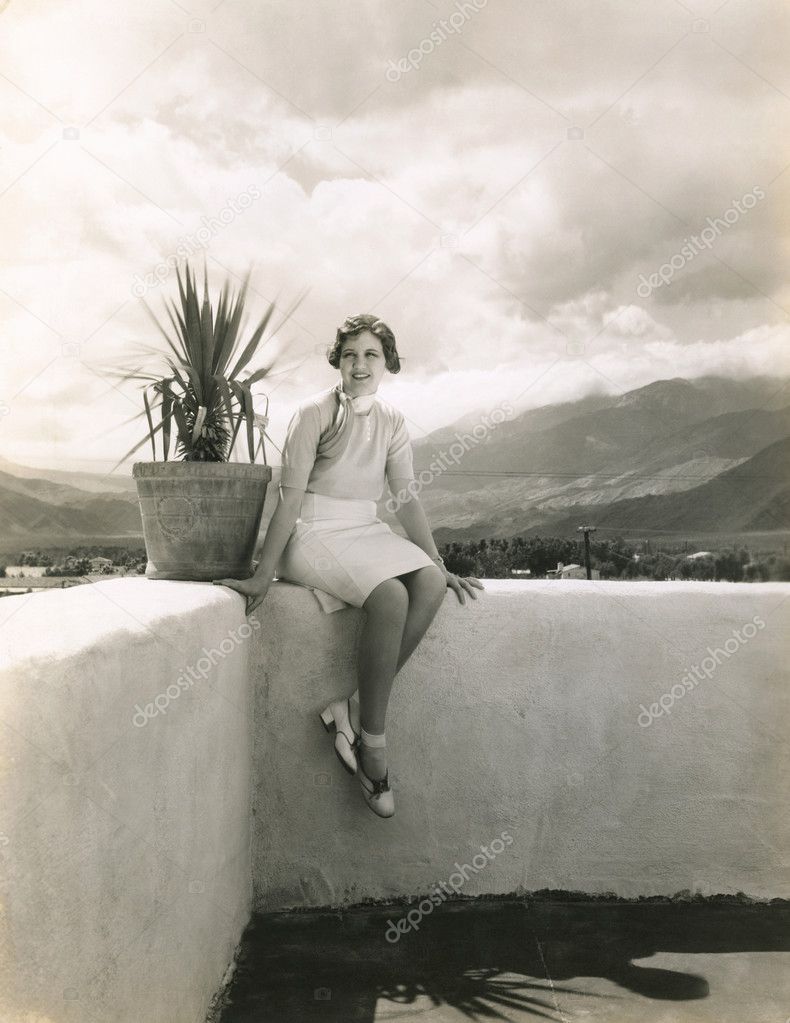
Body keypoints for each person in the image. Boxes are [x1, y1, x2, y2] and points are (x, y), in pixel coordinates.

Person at [214, 314, 484, 817]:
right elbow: (288, 503)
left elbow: (404, 499)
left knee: (426, 583)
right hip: (311, 533)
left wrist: (439, 562)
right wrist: (262, 574)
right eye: (351, 354)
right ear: (338, 361)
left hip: (363, 530)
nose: (360, 364)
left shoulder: (393, 422)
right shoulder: (313, 415)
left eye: (371, 355)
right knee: (391, 595)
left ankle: (352, 709)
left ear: (388, 364)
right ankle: (373, 744)